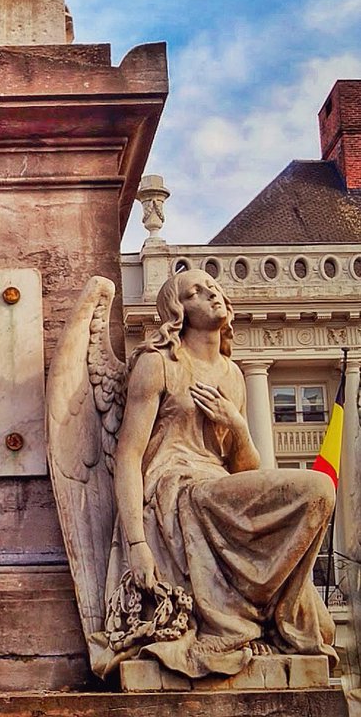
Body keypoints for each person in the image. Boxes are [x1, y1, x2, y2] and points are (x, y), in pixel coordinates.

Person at [113, 268, 336, 678]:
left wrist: (236, 425)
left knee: (319, 491)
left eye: (213, 287)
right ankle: (233, 624)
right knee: (317, 486)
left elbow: (245, 469)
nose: (212, 294)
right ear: (178, 311)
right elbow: (127, 456)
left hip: (218, 484)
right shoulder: (158, 364)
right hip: (176, 488)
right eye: (196, 292)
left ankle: (276, 613)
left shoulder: (234, 375)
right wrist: (136, 543)